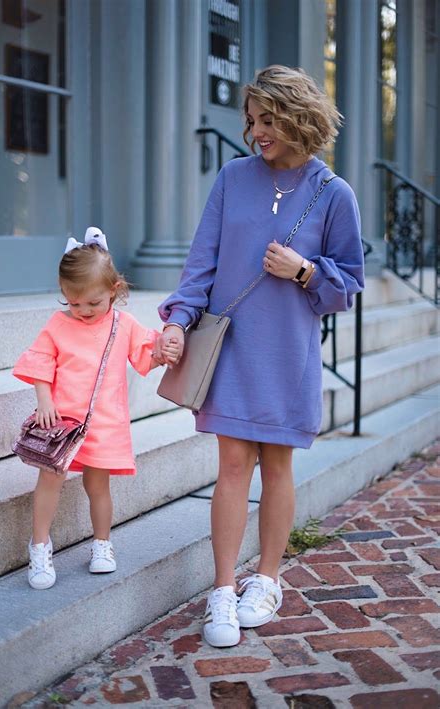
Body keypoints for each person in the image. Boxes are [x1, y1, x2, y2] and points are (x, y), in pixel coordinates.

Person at [155, 65, 365, 647]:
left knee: (277, 467)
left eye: (267, 120)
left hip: (287, 351)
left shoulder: (334, 194)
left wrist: (303, 270)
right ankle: (223, 590)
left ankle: (267, 580)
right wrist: (177, 322)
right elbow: (201, 264)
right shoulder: (232, 178)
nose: (256, 132)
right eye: (252, 121)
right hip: (231, 349)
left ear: (299, 117)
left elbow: (347, 284)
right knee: (230, 468)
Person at [13, 227, 179, 590]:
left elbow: (146, 355)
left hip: (103, 422)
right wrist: (44, 398)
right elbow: (40, 360)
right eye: (73, 303)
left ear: (114, 291)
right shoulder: (59, 325)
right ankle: (39, 545)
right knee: (50, 480)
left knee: (98, 484)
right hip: (61, 420)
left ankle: (102, 544)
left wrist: (163, 351)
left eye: (93, 303)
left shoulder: (124, 324)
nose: (83, 311)